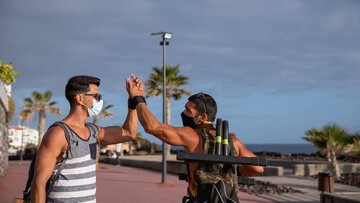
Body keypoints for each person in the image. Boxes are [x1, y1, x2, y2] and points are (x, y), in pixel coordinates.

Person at [126, 74, 264, 201]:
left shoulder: (192, 136)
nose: (183, 113)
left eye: (188, 110)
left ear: (202, 117)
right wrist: (235, 172)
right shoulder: (234, 141)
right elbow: (258, 168)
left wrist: (137, 97)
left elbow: (152, 127)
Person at [31, 75, 139, 203]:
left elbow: (129, 133)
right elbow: (38, 183)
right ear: (80, 98)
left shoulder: (93, 131)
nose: (100, 101)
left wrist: (134, 99)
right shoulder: (58, 133)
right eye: (97, 97)